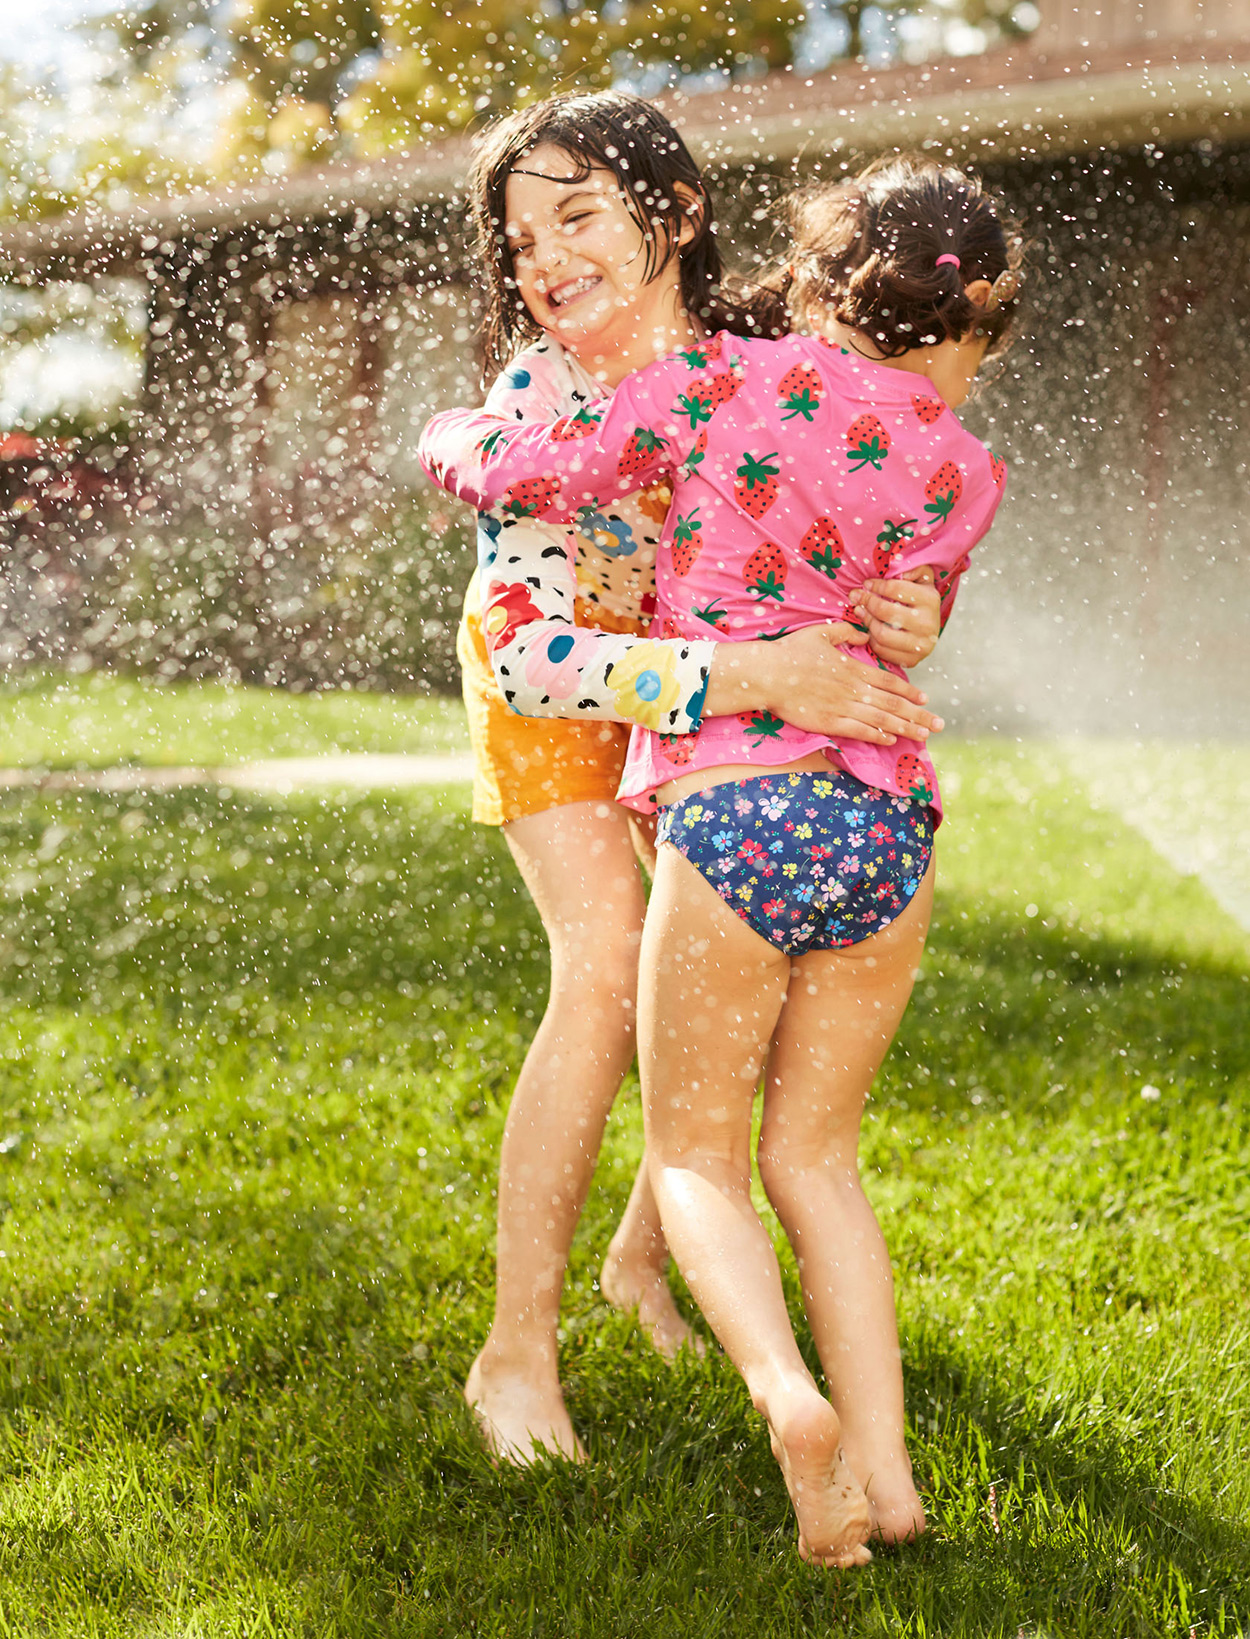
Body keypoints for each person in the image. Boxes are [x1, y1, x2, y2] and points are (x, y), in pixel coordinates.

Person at [421, 152, 1023, 1561]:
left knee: (708, 1018)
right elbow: (532, 654)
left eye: (576, 217)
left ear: (674, 219)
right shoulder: (536, 396)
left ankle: (651, 1258)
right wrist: (757, 678)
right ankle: (515, 1353)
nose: (541, 258)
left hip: (730, 733)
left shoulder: (756, 360)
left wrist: (904, 625)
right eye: (517, 237)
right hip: (572, 693)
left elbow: (891, 574)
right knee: (612, 973)